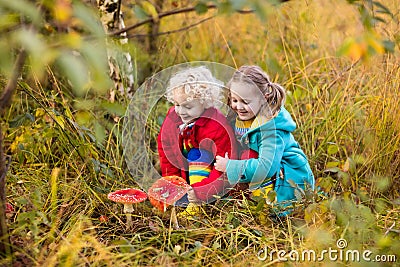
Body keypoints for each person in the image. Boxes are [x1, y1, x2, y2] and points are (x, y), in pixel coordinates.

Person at [215, 65, 314, 211]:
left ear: (264, 98)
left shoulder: (271, 129)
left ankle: (262, 204)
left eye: (245, 102)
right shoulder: (238, 118)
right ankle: (231, 196)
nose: (238, 106)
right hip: (260, 171)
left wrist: (230, 166)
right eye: (234, 100)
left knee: (247, 155)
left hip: (288, 178)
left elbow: (266, 167)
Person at [157, 66, 237, 217]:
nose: (181, 111)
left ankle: (197, 207)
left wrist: (202, 192)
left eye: (187, 106)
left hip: (212, 180)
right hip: (184, 170)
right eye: (177, 105)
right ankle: (183, 197)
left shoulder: (217, 126)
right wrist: (174, 183)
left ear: (205, 103)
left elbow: (226, 166)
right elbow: (166, 150)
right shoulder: (173, 119)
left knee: (196, 153)